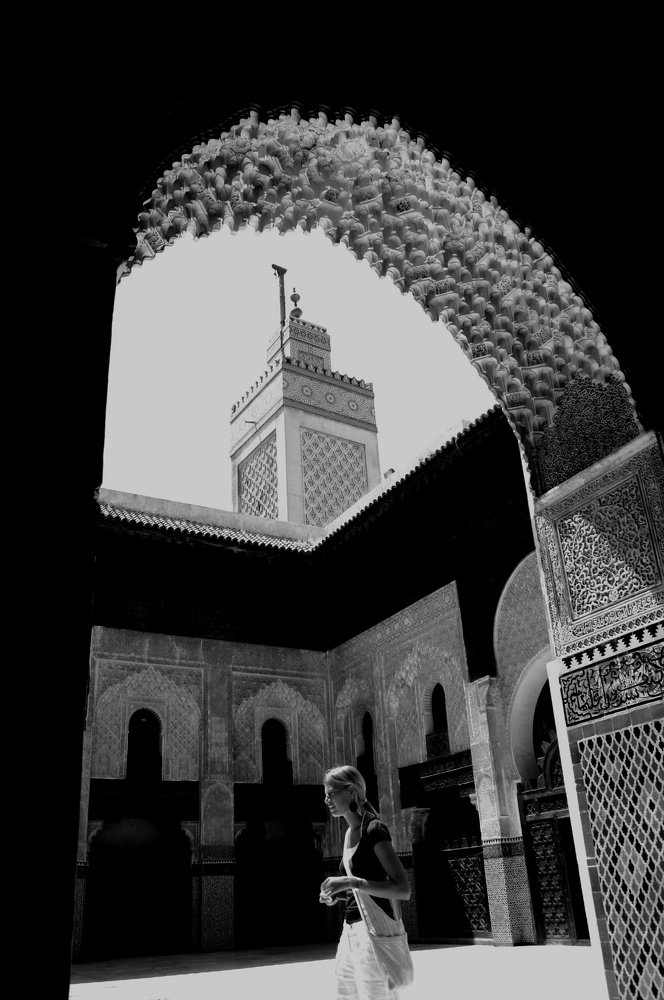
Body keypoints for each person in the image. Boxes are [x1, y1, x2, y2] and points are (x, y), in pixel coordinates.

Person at [320, 765, 411, 999]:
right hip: (350, 931)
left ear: (350, 791)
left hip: (373, 933)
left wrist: (351, 882)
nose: (326, 799)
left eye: (331, 793)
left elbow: (402, 889)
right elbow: (359, 889)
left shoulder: (374, 829)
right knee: (344, 994)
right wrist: (338, 893)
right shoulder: (350, 833)